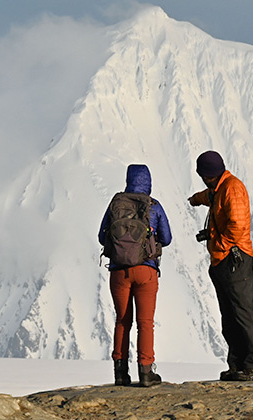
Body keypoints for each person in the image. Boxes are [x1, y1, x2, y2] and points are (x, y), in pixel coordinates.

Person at [188, 150, 253, 381]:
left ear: (207, 175)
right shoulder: (219, 187)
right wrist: (196, 199)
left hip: (235, 259)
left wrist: (218, 244)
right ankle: (237, 365)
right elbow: (210, 196)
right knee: (229, 316)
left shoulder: (233, 188)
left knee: (242, 313)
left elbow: (238, 226)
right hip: (223, 260)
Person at [99, 164, 172, 387]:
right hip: (146, 270)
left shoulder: (116, 204)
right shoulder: (154, 206)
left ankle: (120, 373)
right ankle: (146, 372)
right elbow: (167, 238)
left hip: (119, 271)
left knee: (122, 321)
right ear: (148, 181)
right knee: (145, 323)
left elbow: (103, 237)